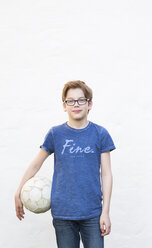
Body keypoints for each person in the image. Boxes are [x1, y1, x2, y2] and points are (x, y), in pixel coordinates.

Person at [14, 80, 116, 248]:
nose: (76, 104)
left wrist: (105, 212)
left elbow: (106, 174)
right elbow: (35, 165)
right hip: (63, 213)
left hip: (92, 213)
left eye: (81, 100)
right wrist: (18, 191)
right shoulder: (56, 134)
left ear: (89, 104)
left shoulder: (100, 134)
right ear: (64, 106)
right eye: (70, 101)